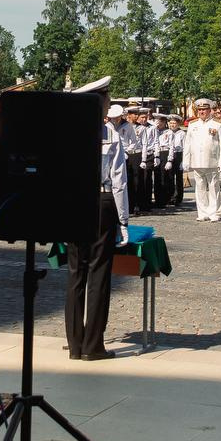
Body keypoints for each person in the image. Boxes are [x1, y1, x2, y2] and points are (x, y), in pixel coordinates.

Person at [65, 94, 129, 362]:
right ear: (101, 104)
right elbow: (118, 179)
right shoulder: (110, 133)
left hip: (73, 200)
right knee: (99, 273)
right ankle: (94, 345)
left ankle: (75, 344)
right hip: (101, 200)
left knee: (75, 273)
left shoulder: (66, 131)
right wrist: (123, 219)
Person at [184, 98, 221, 221]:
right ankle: (202, 213)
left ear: (209, 110)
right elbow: (188, 144)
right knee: (200, 188)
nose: (202, 112)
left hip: (212, 162)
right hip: (197, 161)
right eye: (200, 109)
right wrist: (186, 161)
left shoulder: (217, 124)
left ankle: (214, 213)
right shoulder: (193, 125)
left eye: (204, 109)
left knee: (213, 188)